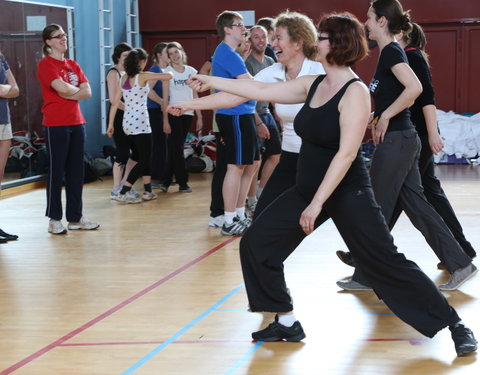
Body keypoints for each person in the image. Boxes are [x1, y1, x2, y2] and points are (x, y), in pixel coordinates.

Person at [173, 11, 478, 358]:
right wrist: (210, 83)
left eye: (321, 37)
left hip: (348, 192)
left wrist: (317, 204)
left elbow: (347, 155)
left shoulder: (356, 92)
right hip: (308, 186)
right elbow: (259, 88)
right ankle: (285, 321)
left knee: (383, 262)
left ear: (338, 45)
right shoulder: (313, 83)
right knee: (256, 244)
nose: (314, 41)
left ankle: (454, 324)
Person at [336, 0, 476, 292]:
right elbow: (398, 93)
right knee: (416, 205)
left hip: (399, 141)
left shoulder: (392, 52)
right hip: (402, 139)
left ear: (383, 21)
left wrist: (386, 114)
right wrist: (379, 114)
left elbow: (416, 90)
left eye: (370, 18)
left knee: (375, 208)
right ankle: (460, 262)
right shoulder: (388, 53)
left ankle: (367, 275)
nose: (367, 23)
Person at [168, 11, 325, 221]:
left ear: (297, 43)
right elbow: (235, 94)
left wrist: (211, 81)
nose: (272, 43)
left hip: (321, 158)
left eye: (278, 38)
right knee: (263, 222)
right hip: (291, 157)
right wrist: (187, 104)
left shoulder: (320, 72)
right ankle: (234, 218)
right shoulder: (273, 71)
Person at [37, 24, 99, 234]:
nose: (63, 39)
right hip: (56, 124)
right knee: (57, 172)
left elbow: (87, 91)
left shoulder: (73, 64)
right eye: (58, 36)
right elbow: (61, 88)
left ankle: (75, 217)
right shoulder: (46, 65)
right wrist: (73, 91)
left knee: (76, 171)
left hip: (77, 122)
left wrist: (69, 93)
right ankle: (54, 219)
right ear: (48, 42)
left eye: (64, 35)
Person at [209, 11, 259, 236]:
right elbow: (249, 84)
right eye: (239, 25)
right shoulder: (226, 53)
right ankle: (228, 219)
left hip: (243, 114)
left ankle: (238, 214)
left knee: (247, 165)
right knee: (234, 167)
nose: (243, 28)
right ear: (227, 29)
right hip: (234, 115)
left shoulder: (232, 53)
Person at [108, 48, 172, 203]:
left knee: (140, 156)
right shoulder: (143, 76)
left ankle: (148, 191)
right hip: (141, 123)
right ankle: (123, 191)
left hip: (127, 124)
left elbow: (115, 103)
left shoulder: (123, 78)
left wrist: (111, 124)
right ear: (142, 62)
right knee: (145, 160)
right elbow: (168, 75)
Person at [159, 42, 203, 193]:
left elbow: (195, 93)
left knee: (174, 148)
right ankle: (183, 182)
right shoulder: (167, 72)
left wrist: (199, 115)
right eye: (171, 54)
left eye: (176, 52)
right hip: (173, 113)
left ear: (181, 52)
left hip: (188, 113)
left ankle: (165, 181)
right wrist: (165, 120)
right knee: (177, 149)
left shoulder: (191, 71)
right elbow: (165, 98)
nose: (175, 56)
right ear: (169, 57)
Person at [245, 25, 279, 210]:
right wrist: (257, 122)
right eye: (256, 37)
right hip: (252, 114)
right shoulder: (247, 62)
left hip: (266, 113)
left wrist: (279, 113)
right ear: (250, 40)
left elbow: (275, 90)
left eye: (263, 37)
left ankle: (260, 191)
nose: (260, 40)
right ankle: (251, 199)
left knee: (276, 154)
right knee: (255, 159)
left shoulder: (270, 61)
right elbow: (247, 96)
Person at [106, 42, 138, 200]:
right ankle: (115, 188)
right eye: (125, 55)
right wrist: (133, 110)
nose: (127, 58)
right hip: (119, 116)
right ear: (118, 56)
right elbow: (114, 100)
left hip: (131, 116)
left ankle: (126, 185)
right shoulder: (113, 73)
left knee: (138, 152)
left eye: (129, 55)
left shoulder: (130, 73)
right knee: (122, 152)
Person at [0, 50, 20, 242]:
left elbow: (15, 89)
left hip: (3, 121)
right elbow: (9, 89)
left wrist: (3, 89)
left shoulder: (1, 57)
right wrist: (5, 89)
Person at [147, 42, 170, 187]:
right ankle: (155, 177)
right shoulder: (155, 70)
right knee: (158, 144)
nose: (170, 56)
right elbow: (148, 90)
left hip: (163, 111)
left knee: (164, 143)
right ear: (159, 55)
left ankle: (163, 175)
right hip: (154, 111)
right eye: (167, 53)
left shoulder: (166, 70)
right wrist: (162, 102)